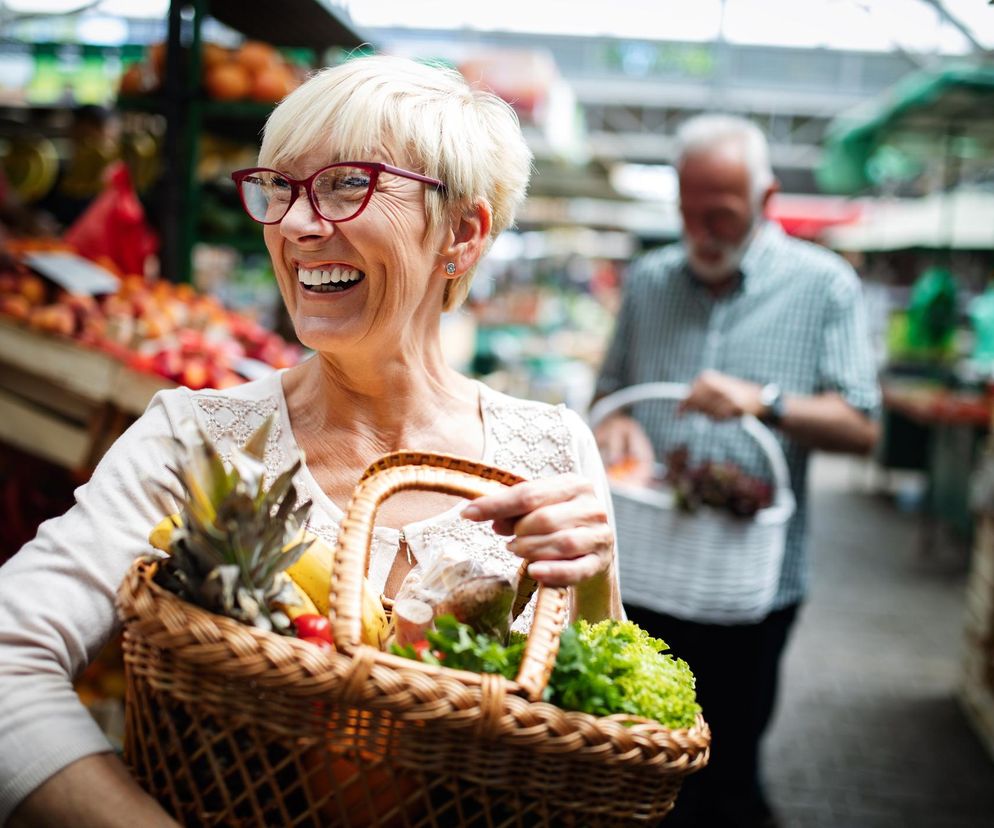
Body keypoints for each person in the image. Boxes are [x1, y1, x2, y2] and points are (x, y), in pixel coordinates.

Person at [0, 55, 623, 827]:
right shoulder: (193, 442)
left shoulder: (554, 451)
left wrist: (594, 590)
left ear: (461, 232)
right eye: (280, 188)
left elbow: (606, 740)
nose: (295, 224)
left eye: (344, 184)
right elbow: (7, 657)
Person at [593, 113, 880, 828]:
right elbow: (607, 396)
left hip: (755, 588)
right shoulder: (650, 282)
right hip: (647, 573)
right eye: (689, 212)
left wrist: (768, 403)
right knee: (636, 757)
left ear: (767, 199)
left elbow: (864, 427)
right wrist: (615, 423)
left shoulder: (825, 287)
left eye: (719, 214)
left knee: (729, 768)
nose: (701, 230)